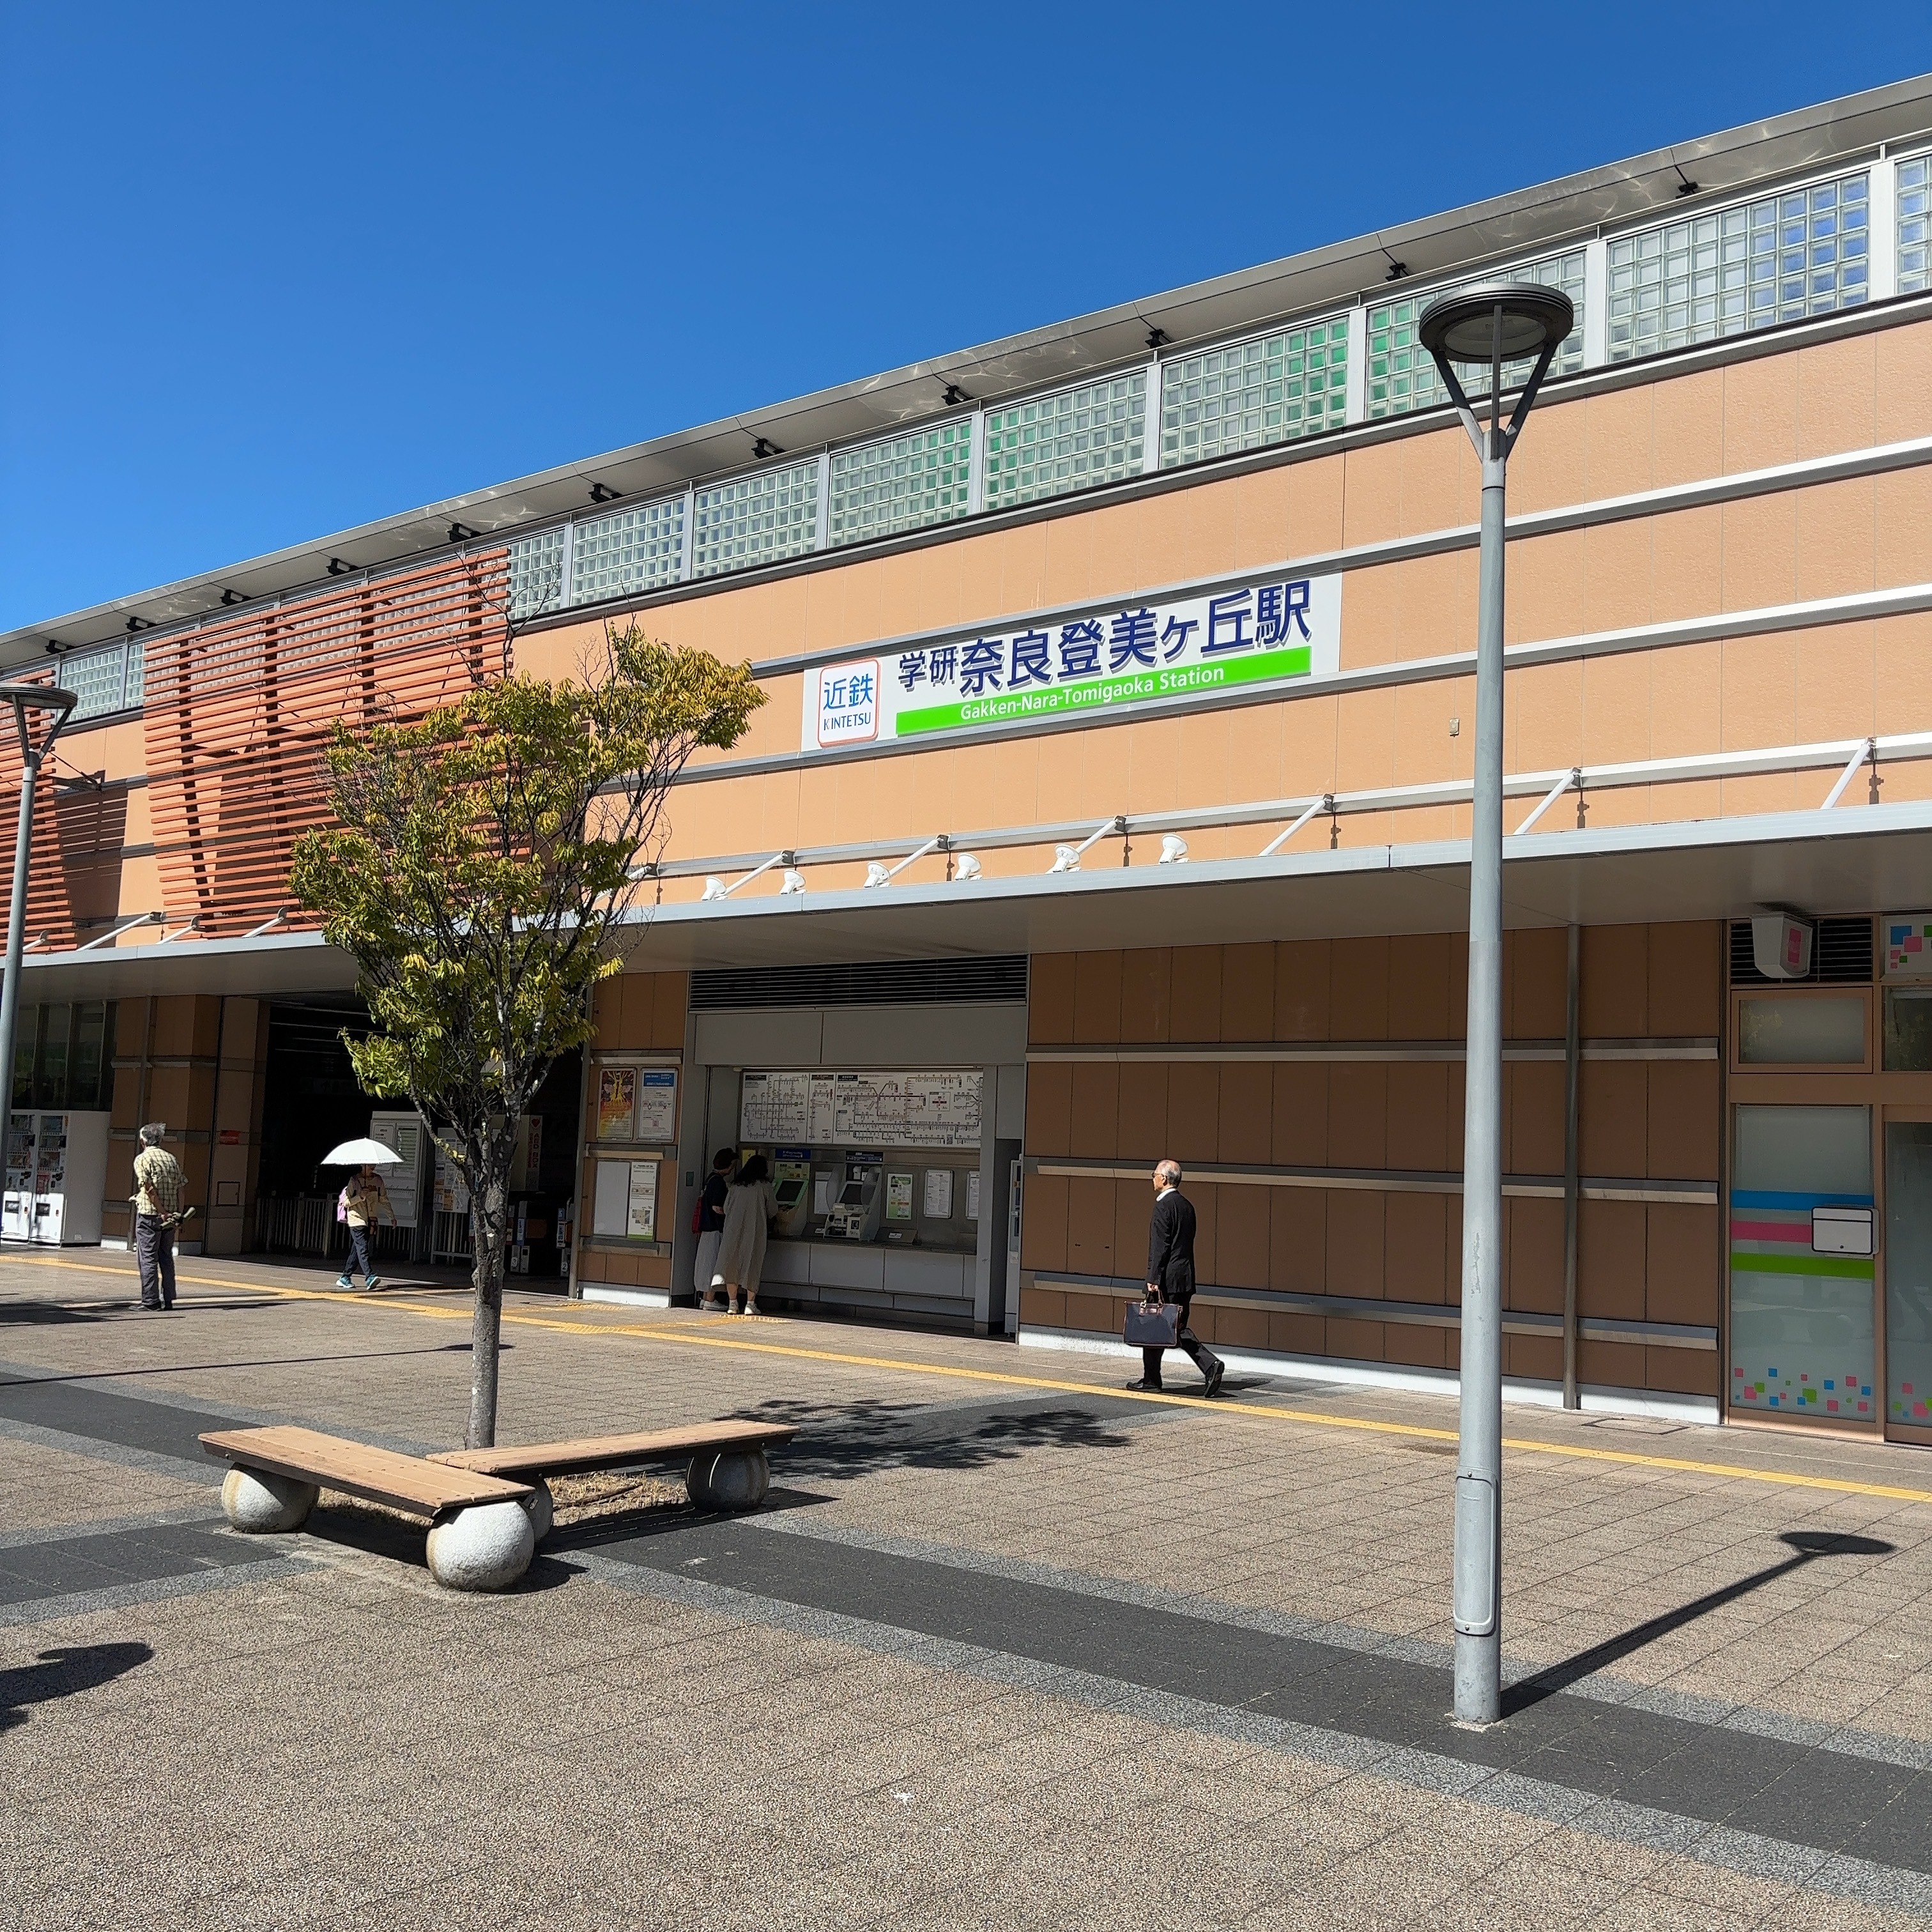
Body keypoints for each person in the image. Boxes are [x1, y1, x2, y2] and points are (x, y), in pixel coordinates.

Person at [1130, 1158, 1224, 1397]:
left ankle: (1209, 1364)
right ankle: (1152, 1378)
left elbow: (1160, 1247)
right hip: (1184, 1278)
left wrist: (1153, 1278)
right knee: (1164, 1327)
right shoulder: (1187, 1206)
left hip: (1166, 1279)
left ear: (1163, 1178)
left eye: (1154, 1175)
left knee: (1168, 1327)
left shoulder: (1163, 1206)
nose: (1152, 1179)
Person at [131, 1123, 187, 1312]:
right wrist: (178, 1215)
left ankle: (150, 1301)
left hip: (150, 1215)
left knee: (148, 1258)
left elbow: (148, 1188)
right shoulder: (171, 1158)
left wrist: (161, 1211)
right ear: (160, 1140)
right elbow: (181, 1188)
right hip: (171, 1217)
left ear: (143, 1141)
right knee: (166, 1257)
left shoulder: (142, 1159)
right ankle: (168, 1299)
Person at [713, 1153, 775, 1316]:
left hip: (732, 1232)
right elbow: (773, 1210)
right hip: (755, 1232)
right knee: (752, 1266)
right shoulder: (765, 1186)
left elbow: (726, 1209)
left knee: (731, 1266)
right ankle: (750, 1304)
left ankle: (732, 1304)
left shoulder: (735, 1186)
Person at [335, 1163, 392, 1292]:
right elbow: (346, 1202)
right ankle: (369, 1276)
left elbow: (383, 1199)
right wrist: (360, 1196)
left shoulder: (378, 1180)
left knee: (357, 1250)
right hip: (356, 1219)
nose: (373, 1167)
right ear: (363, 1165)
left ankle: (345, 1277)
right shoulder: (354, 1180)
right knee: (363, 1248)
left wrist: (391, 1216)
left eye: (374, 1164)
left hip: (371, 1220)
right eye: (370, 1165)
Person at [694, 1147, 737, 1310]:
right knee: (714, 1265)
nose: (732, 1169)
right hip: (715, 1229)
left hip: (707, 1229)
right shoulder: (718, 1182)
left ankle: (706, 1298)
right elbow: (717, 1207)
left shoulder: (710, 1179)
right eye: (732, 1165)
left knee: (706, 1264)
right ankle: (711, 1299)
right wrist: (731, 1213)